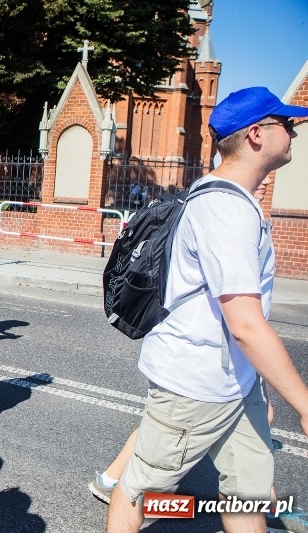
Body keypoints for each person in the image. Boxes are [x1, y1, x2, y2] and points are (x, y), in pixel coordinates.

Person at [106, 87, 308, 533]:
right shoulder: (225, 209)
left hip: (233, 382)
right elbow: (245, 325)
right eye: (286, 124)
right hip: (193, 385)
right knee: (138, 491)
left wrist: (256, 379)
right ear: (256, 134)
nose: (294, 131)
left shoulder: (229, 200)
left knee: (248, 495)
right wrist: (305, 404)